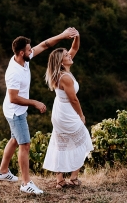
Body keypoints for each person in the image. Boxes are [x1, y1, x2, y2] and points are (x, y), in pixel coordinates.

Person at [0, 28, 78, 195]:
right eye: (28, 49)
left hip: (17, 109)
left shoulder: (24, 59)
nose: (31, 51)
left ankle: (2, 172)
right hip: (14, 111)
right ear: (20, 52)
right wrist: (35, 103)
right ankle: (26, 183)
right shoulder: (13, 72)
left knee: (15, 139)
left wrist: (62, 35)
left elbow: (45, 45)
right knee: (25, 144)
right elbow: (13, 98)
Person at [43, 30, 94, 189]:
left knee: (61, 143)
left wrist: (77, 36)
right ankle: (73, 178)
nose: (70, 55)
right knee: (83, 139)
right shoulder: (65, 77)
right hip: (67, 111)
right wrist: (81, 115)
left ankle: (60, 181)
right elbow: (73, 99)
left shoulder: (60, 72)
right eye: (66, 55)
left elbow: (75, 49)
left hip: (59, 111)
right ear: (61, 61)